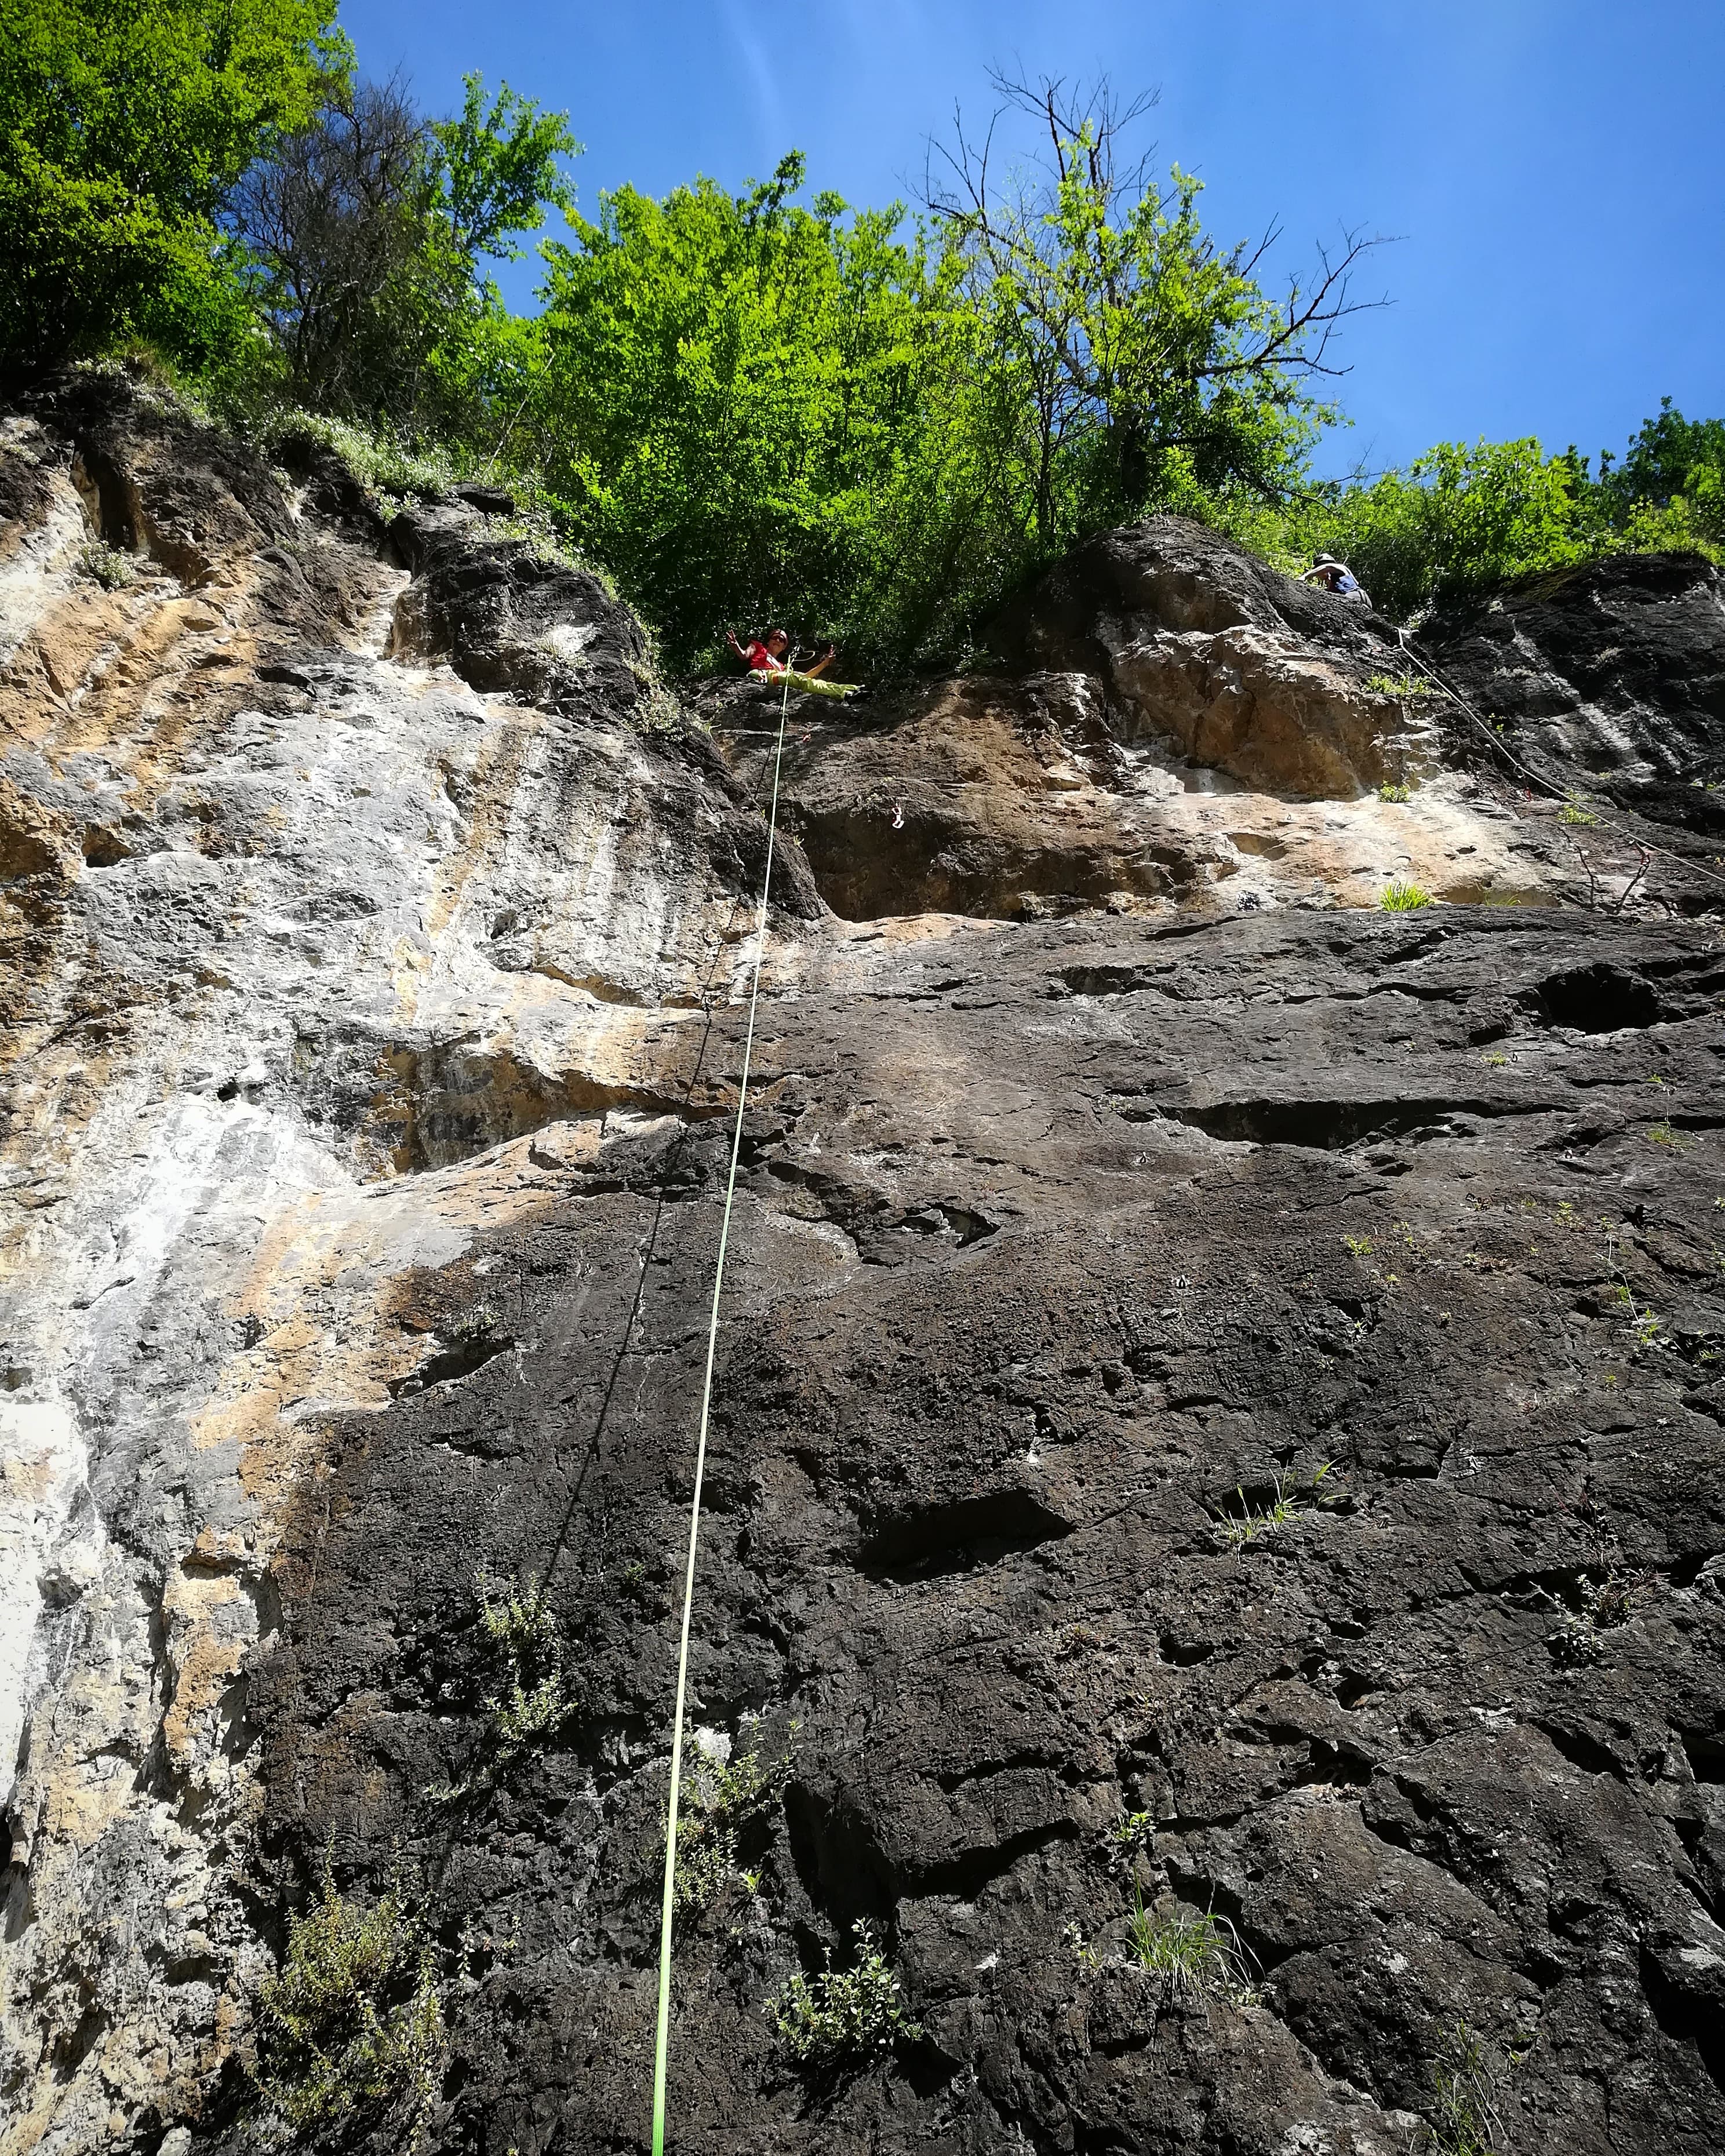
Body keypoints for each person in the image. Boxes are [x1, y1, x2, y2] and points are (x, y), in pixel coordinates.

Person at [726, 627, 837, 679]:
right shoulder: (758, 646)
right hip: (761, 674)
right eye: (775, 637)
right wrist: (736, 646)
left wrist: (825, 664)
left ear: (784, 647)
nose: (778, 641)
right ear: (769, 641)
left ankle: (846, 691)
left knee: (811, 682)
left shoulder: (782, 667)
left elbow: (805, 677)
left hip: (778, 678)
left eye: (782, 640)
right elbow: (744, 655)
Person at [1301, 554, 1370, 606]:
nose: (1318, 575)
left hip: (1353, 596)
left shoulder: (1339, 567)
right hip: (1364, 598)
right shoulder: (1339, 578)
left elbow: (1327, 567)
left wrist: (1304, 577)